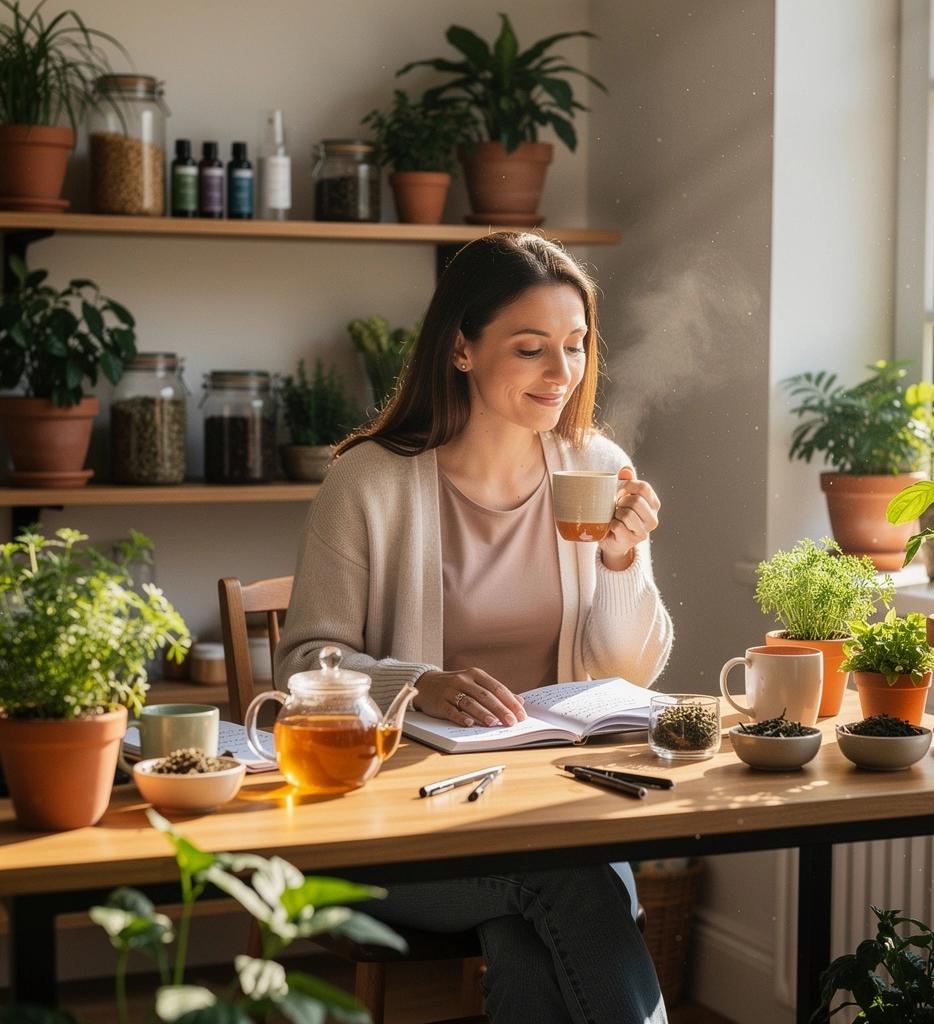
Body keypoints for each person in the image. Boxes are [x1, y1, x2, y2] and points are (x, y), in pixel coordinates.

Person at [276, 232, 674, 1024]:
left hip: (560, 805)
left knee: (533, 934)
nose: (562, 374)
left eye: (574, 345)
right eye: (531, 350)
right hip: (404, 825)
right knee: (568, 882)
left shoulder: (592, 466)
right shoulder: (371, 480)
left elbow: (634, 674)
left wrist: (624, 563)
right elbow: (299, 663)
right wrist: (419, 683)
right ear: (461, 348)